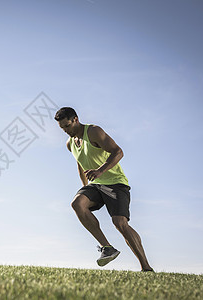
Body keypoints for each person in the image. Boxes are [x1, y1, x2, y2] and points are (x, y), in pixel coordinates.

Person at [54, 107, 153, 272]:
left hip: (115, 183)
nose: (65, 131)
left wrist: (100, 170)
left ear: (75, 119)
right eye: (62, 128)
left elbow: (118, 152)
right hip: (96, 185)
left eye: (67, 126)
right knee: (77, 204)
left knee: (120, 224)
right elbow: (81, 164)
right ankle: (107, 248)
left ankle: (146, 267)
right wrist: (85, 188)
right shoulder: (70, 143)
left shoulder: (93, 132)